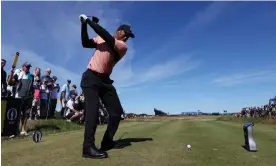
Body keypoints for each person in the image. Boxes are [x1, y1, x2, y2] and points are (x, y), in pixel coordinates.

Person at [79, 14, 135, 159]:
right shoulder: (102, 39)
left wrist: (89, 21)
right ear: (119, 31)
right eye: (126, 34)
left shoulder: (122, 46)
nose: (127, 37)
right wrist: (84, 25)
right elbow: (85, 43)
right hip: (90, 78)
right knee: (93, 112)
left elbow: (105, 36)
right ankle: (88, 148)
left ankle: (107, 142)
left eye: (129, 36)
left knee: (116, 112)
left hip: (105, 81)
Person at [8, 62, 34, 136]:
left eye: (29, 67)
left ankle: (23, 130)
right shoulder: (18, 73)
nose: (28, 68)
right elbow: (10, 83)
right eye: (26, 67)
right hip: (18, 96)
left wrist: (31, 97)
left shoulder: (31, 76)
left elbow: (31, 87)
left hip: (28, 97)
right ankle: (14, 131)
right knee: (17, 114)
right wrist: (12, 73)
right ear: (23, 67)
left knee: (26, 114)